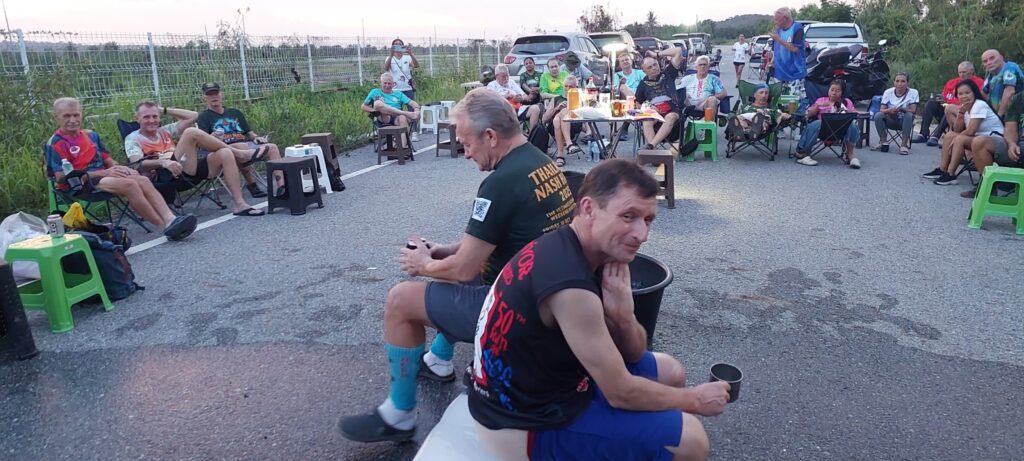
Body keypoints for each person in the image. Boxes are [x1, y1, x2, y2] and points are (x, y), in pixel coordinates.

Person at [338, 89, 577, 443]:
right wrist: (446, 251)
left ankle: (399, 414)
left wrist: (422, 264)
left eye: (466, 143)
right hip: (546, 295)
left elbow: (464, 270)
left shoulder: (500, 182)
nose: (465, 153)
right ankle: (438, 359)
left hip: (516, 315)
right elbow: (498, 240)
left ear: (490, 136)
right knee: (458, 266)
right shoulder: (539, 161)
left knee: (400, 300)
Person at [468, 159, 730, 461]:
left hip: (554, 386)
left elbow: (633, 354)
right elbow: (620, 392)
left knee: (671, 371)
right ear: (589, 208)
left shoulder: (590, 249)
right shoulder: (569, 283)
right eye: (628, 216)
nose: (642, 234)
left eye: (648, 219)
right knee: (692, 440)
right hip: (524, 424)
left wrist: (623, 317)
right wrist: (694, 400)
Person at [45, 97, 197, 240]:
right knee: (130, 185)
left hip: (104, 176)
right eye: (67, 116)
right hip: (80, 183)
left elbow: (108, 160)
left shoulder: (91, 135)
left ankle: (171, 219)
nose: (73, 120)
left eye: (76, 115)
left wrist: (123, 169)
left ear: (81, 114)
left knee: (142, 179)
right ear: (56, 117)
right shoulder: (56, 143)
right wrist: (105, 172)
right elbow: (61, 177)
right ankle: (164, 227)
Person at [126, 101, 278, 217]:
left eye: (155, 116)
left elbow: (193, 115)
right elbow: (137, 164)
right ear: (137, 119)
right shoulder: (133, 138)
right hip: (166, 175)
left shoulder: (164, 131)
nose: (152, 120)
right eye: (146, 117)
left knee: (225, 152)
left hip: (187, 168)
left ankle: (239, 204)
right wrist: (163, 162)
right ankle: (241, 154)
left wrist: (162, 109)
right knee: (191, 132)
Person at [195, 82, 282, 198]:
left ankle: (282, 188)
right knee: (237, 147)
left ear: (221, 94)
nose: (214, 97)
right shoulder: (203, 117)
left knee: (272, 147)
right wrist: (213, 136)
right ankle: (251, 184)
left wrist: (256, 138)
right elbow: (204, 141)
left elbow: (249, 133)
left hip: (246, 146)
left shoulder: (235, 113)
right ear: (204, 97)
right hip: (223, 150)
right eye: (210, 94)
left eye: (216, 93)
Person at [922, 79, 1003, 187]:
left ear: (974, 92)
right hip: (978, 138)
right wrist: (961, 113)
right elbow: (956, 130)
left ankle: (951, 174)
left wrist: (957, 139)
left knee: (960, 139)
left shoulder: (979, 105)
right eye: (960, 94)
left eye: (967, 93)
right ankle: (942, 169)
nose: (964, 96)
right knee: (950, 135)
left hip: (995, 140)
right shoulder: (965, 107)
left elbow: (971, 130)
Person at [961, 92, 1024, 197]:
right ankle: (987, 189)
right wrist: (1012, 144)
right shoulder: (1018, 99)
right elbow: (1010, 128)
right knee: (979, 142)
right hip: (1019, 146)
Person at [913, 62, 985, 147]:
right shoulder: (952, 82)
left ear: (971, 71)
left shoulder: (979, 83)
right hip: (946, 107)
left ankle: (936, 136)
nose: (961, 75)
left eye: (964, 72)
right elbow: (944, 96)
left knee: (949, 109)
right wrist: (940, 100)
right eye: (960, 72)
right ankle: (923, 134)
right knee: (930, 104)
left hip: (963, 111)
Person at [794, 79, 861, 168]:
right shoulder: (821, 100)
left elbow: (854, 114)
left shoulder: (846, 102)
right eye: (832, 90)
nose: (834, 93)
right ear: (828, 90)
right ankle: (803, 154)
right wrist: (818, 106)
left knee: (852, 124)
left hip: (841, 130)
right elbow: (809, 115)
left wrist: (844, 110)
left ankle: (850, 155)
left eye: (837, 90)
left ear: (842, 92)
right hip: (823, 129)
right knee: (816, 123)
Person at [634, 45, 685, 150]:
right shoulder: (643, 84)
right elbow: (637, 103)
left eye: (655, 64)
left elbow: (678, 51)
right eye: (650, 67)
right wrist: (647, 106)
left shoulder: (668, 74)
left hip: (672, 113)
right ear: (644, 71)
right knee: (647, 120)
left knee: (670, 117)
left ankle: (651, 146)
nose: (654, 68)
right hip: (655, 114)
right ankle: (654, 152)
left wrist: (656, 54)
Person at [362, 72, 421, 150]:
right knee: (377, 103)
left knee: (402, 118)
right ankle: (405, 113)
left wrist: (416, 109)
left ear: (393, 84)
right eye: (385, 83)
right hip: (384, 118)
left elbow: (412, 102)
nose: (387, 86)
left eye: (389, 83)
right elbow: (363, 106)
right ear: (381, 83)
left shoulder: (398, 94)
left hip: (397, 118)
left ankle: (402, 148)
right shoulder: (375, 92)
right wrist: (373, 110)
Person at [872, 72, 919, 155]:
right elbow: (882, 109)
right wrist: (889, 110)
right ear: (894, 82)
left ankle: (904, 145)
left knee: (909, 115)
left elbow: (913, 110)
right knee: (878, 115)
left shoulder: (913, 92)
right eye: (897, 81)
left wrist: (901, 109)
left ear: (907, 83)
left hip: (905, 122)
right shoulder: (888, 92)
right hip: (891, 119)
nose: (899, 84)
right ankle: (883, 142)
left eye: (903, 81)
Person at [383, 38, 421, 141]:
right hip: (395, 89)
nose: (398, 46)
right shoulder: (389, 58)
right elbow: (386, 68)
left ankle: (414, 132)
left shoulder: (407, 58)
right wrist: (391, 55)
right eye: (396, 44)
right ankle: (399, 133)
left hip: (407, 88)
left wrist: (411, 54)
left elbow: (416, 66)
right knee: (396, 111)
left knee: (412, 109)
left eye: (400, 44)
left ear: (403, 46)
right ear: (393, 46)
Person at [487, 64, 542, 130]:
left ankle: (532, 134)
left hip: (517, 109)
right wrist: (505, 96)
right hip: (502, 112)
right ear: (496, 76)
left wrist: (521, 98)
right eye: (503, 76)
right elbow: (490, 101)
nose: (506, 78)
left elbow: (525, 96)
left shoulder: (511, 82)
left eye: (507, 75)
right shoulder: (492, 85)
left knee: (535, 108)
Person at [770, 7, 807, 106]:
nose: (775, 22)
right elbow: (776, 49)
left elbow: (795, 49)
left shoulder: (797, 28)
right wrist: (771, 62)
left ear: (785, 18)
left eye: (777, 19)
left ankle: (795, 115)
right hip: (780, 73)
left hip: (794, 73)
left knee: (793, 103)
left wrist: (779, 40)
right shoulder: (778, 30)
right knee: (781, 102)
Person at [549, 75, 584, 166]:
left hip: (573, 126)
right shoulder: (556, 98)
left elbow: (585, 116)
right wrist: (557, 108)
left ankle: (560, 155)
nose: (568, 88)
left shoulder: (581, 98)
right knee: (558, 117)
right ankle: (569, 144)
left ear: (576, 87)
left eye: (571, 86)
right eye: (566, 86)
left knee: (558, 118)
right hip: (553, 127)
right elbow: (544, 119)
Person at [680, 56, 728, 120]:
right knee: (682, 95)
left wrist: (712, 97)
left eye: (705, 65)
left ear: (708, 67)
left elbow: (723, 93)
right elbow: (677, 91)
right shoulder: (687, 78)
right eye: (700, 65)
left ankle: (708, 124)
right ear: (696, 67)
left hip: (705, 104)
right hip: (689, 103)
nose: (702, 66)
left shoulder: (713, 79)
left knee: (712, 99)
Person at [980, 49, 1024, 120]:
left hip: (1017, 114)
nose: (989, 63)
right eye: (985, 61)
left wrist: (998, 116)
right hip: (1002, 115)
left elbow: (1009, 92)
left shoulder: (1010, 67)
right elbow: (983, 94)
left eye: (992, 58)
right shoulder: (991, 75)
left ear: (1001, 57)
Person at [613, 53, 644, 141]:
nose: (625, 62)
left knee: (632, 99)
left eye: (627, 59)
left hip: (640, 97)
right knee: (623, 87)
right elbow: (616, 92)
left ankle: (625, 127)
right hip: (624, 99)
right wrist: (620, 83)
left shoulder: (639, 73)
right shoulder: (617, 75)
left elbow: (646, 85)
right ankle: (637, 108)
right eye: (622, 61)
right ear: (620, 64)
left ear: (631, 61)